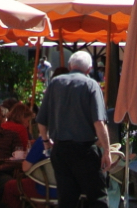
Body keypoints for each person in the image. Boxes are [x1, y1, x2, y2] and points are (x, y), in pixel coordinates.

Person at [38, 51, 114, 208]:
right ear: (89, 69)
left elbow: (41, 120)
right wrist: (107, 151)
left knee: (66, 200)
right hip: (84, 150)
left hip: (60, 150)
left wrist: (46, 142)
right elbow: (99, 122)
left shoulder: (54, 83)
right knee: (98, 197)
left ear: (70, 66)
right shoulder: (91, 84)